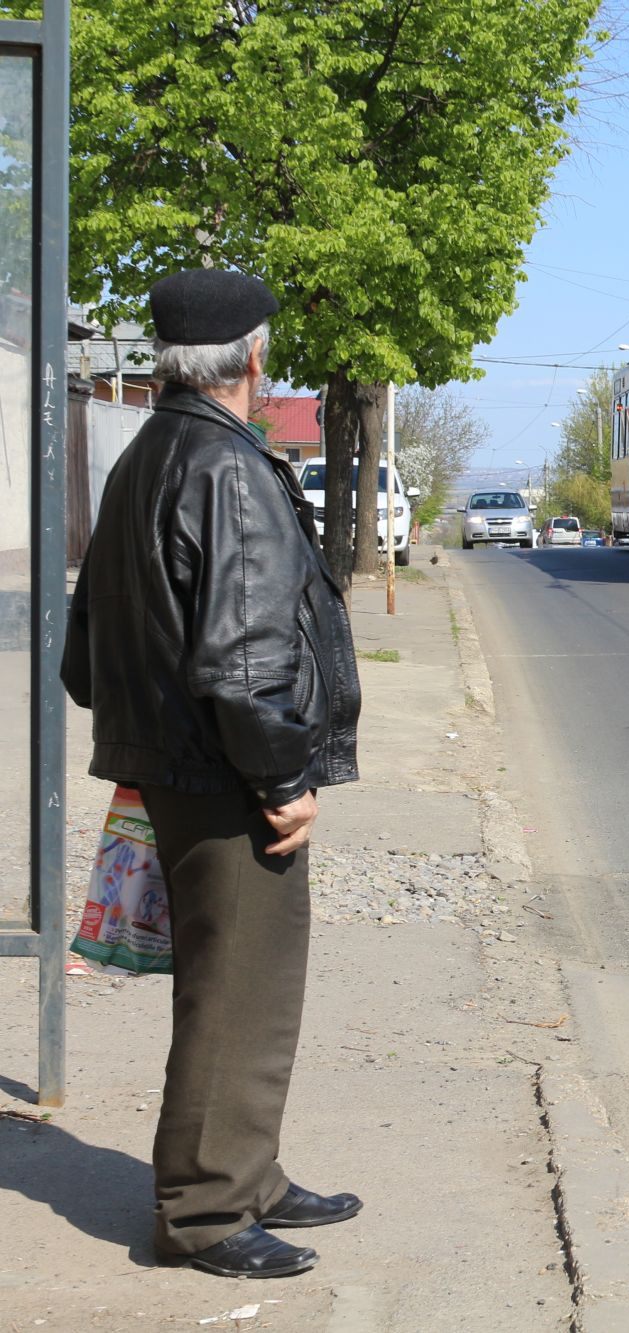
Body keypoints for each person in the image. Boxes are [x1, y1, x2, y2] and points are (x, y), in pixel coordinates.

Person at [62, 270, 365, 1280]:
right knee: (241, 993)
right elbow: (241, 661)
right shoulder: (228, 467)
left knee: (233, 984)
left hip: (174, 761)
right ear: (253, 357)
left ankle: (249, 1172)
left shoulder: (146, 454)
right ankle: (202, 1209)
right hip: (230, 772)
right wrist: (283, 777)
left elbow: (82, 652)